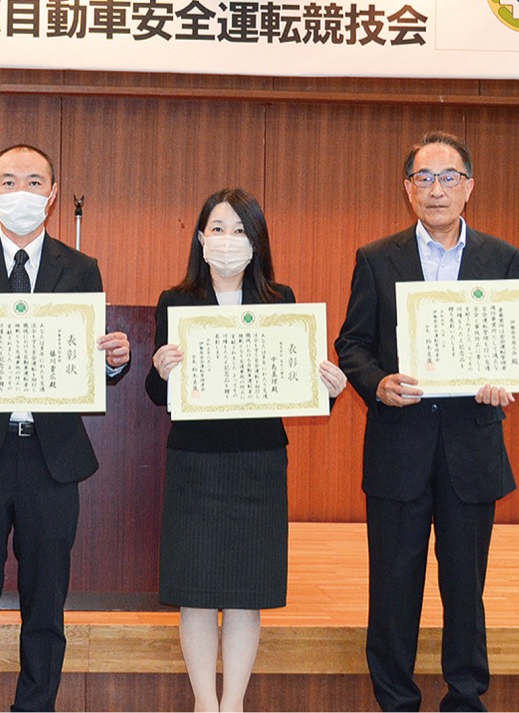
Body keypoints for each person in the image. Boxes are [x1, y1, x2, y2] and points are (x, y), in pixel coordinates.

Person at [0, 144, 131, 712]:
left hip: (51, 458)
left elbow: (88, 363)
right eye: (8, 181)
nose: (21, 192)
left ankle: (36, 706)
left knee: (46, 603)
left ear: (52, 195)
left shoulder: (80, 269)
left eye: (34, 182)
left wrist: (113, 361)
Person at [335, 131, 519, 712]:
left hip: (472, 446)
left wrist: (503, 378)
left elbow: (515, 342)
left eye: (448, 177)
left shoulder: (502, 258)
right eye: (424, 178)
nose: (436, 189)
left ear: (469, 186)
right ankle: (396, 700)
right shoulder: (376, 258)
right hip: (399, 446)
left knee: (466, 588)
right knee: (394, 588)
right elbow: (352, 344)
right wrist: (377, 384)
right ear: (408, 189)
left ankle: (465, 698)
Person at [145, 188, 346, 712]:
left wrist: (328, 387)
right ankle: (203, 704)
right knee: (195, 592)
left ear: (257, 241)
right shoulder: (176, 301)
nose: (228, 240)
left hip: (258, 463)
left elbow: (297, 381)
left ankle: (232, 704)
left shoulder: (280, 301)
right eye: (217, 229)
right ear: (200, 238)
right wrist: (160, 370)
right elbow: (156, 393)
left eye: (239, 230)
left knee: (245, 591)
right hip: (195, 462)